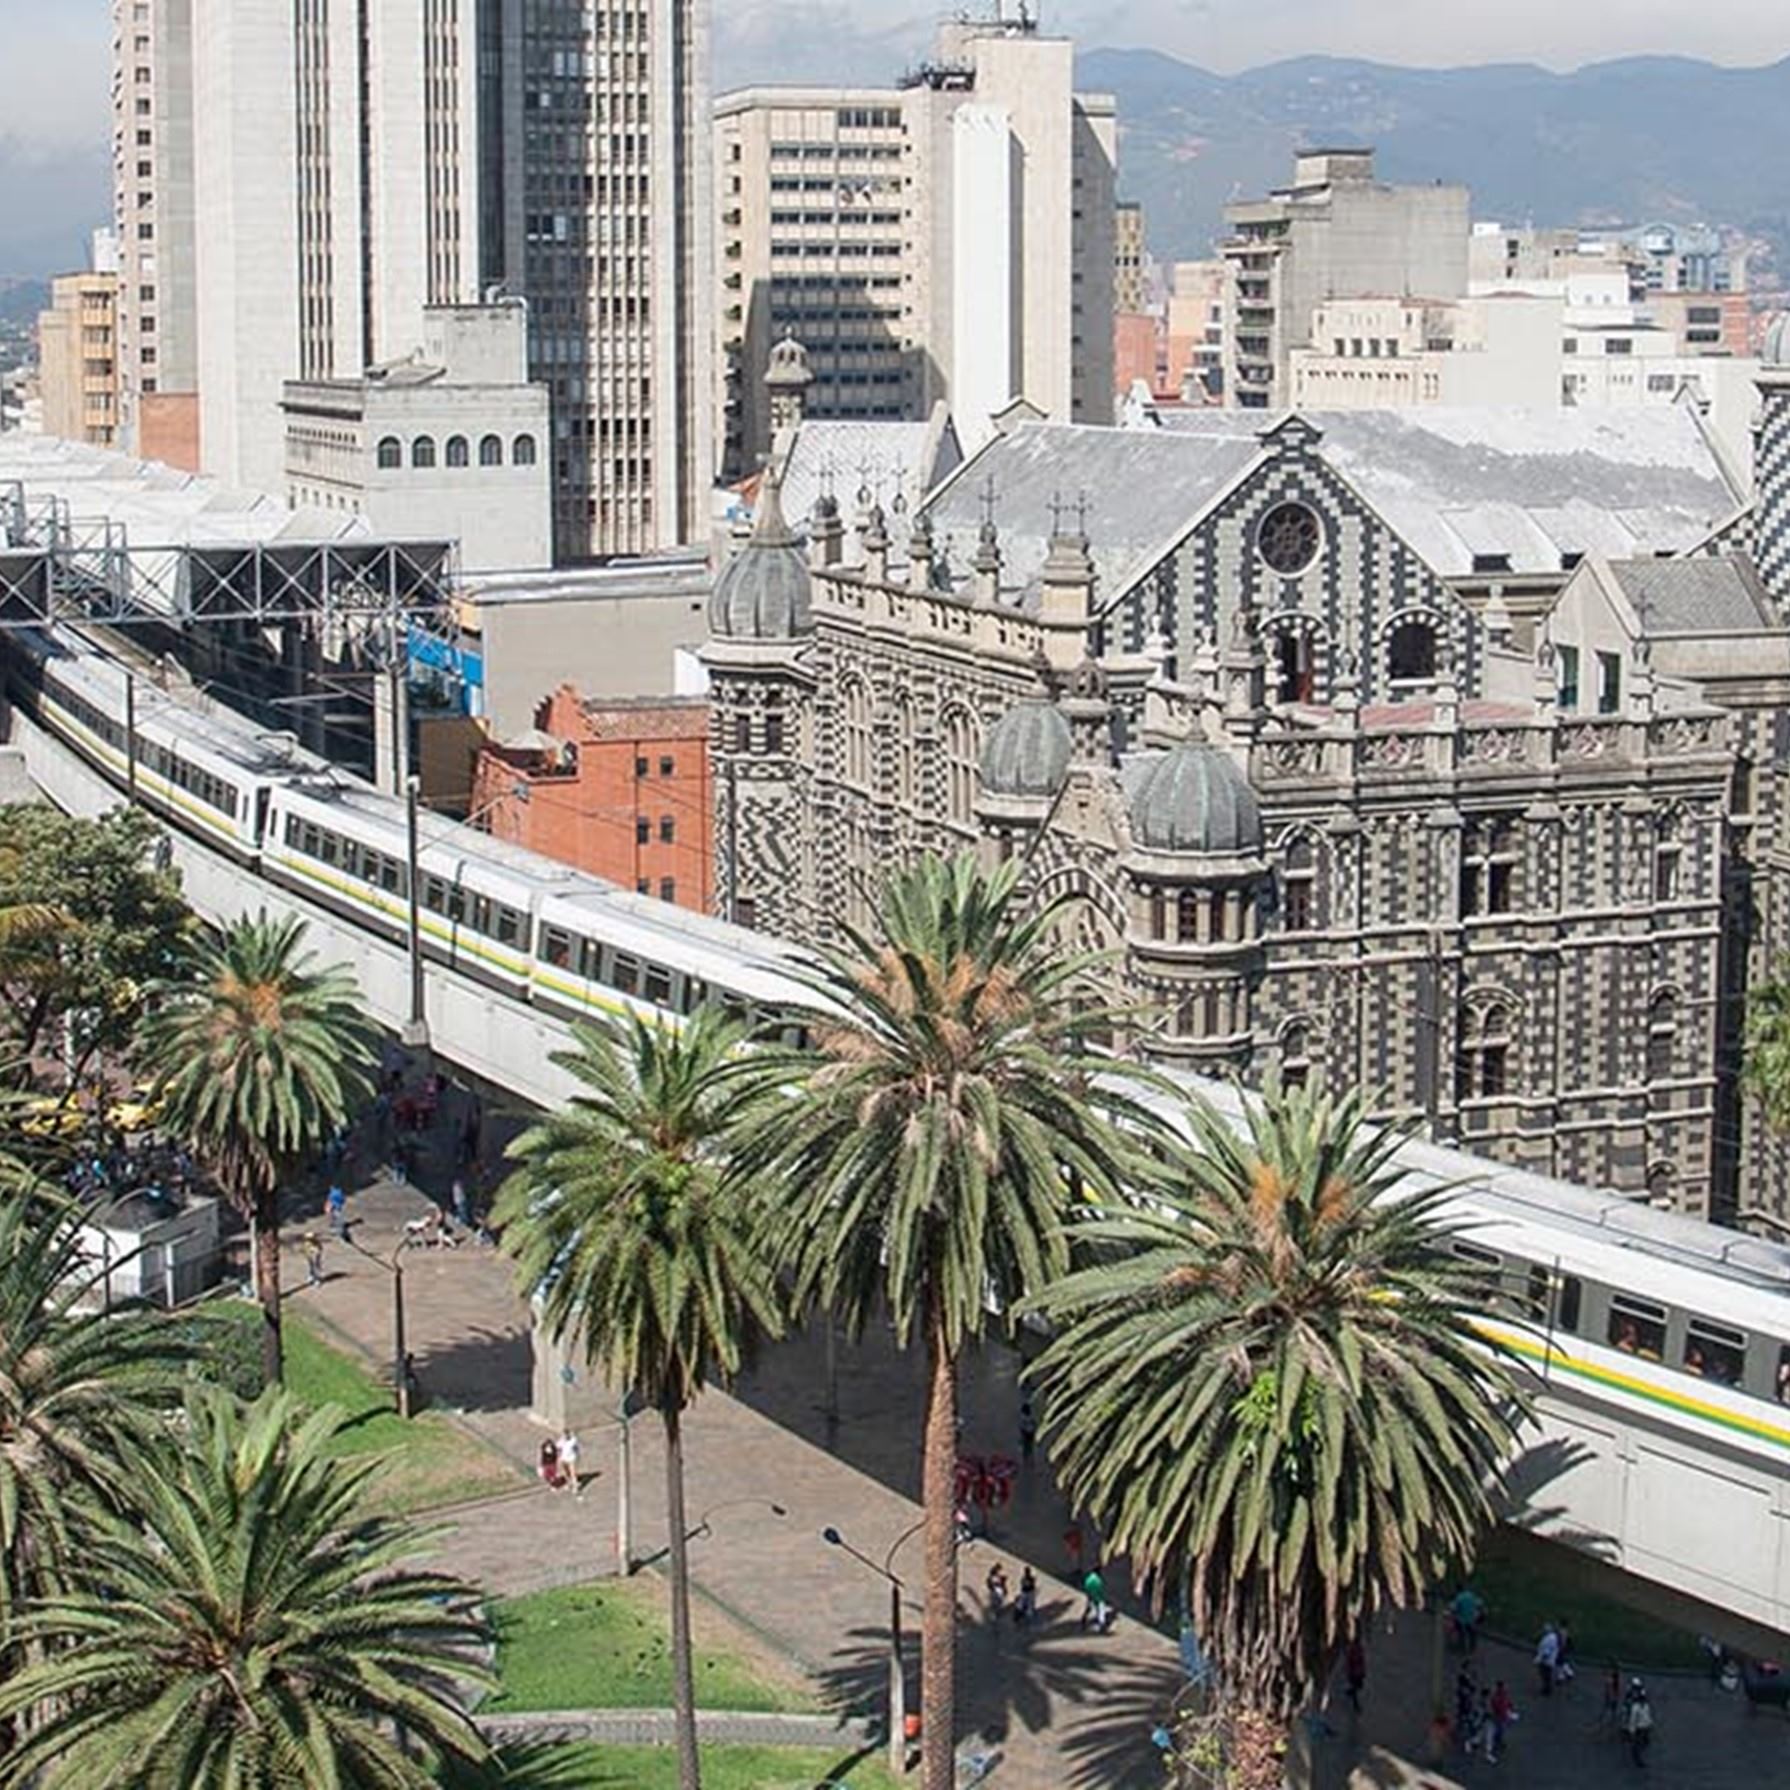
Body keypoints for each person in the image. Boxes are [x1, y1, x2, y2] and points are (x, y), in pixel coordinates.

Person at [1622, 1679, 1653, 1766]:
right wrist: (1631, 1730)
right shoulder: (1636, 1707)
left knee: (1642, 1742)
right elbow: (1633, 1719)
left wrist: (1650, 1723)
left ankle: (1639, 1747)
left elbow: (1647, 1715)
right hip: (1638, 1727)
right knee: (1636, 1744)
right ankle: (1636, 1757)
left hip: (1645, 1726)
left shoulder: (1645, 1705)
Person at [1487, 1679, 1515, 1763]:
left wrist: (1509, 1706)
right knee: (1499, 1729)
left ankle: (1498, 1741)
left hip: (1501, 1715)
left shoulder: (1501, 1695)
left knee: (1500, 1729)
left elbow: (1507, 1702)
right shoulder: (1497, 1697)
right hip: (1499, 1716)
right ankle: (1498, 1742)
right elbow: (1497, 1705)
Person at [1451, 1584, 1485, 1653]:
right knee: (1472, 1633)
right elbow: (1480, 1603)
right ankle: (1472, 1648)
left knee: (1461, 1632)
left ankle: (1462, 1648)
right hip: (1472, 1619)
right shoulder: (1471, 1595)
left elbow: (1454, 1609)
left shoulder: (1459, 1598)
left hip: (1462, 1620)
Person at [1080, 1567, 1111, 1634]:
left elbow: (1086, 1587)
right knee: (1101, 1610)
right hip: (1098, 1598)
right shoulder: (1098, 1580)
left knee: (1089, 1609)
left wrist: (1089, 1596)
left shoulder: (1089, 1579)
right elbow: (1101, 1590)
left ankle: (1084, 1619)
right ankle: (1101, 1624)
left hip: (1091, 1596)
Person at [1535, 1620, 1560, 1696]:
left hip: (1547, 1661)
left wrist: (1540, 1658)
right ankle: (1546, 1689)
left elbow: (1547, 1650)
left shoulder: (1551, 1638)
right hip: (1547, 1660)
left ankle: (1547, 1690)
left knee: (1545, 1675)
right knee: (1545, 1675)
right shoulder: (1549, 1637)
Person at [557, 1427, 581, 1497]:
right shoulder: (560, 1441)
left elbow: (576, 1448)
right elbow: (558, 1449)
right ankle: (568, 1483)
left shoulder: (573, 1440)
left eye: (566, 1435)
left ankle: (575, 1487)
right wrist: (559, 1458)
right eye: (564, 1435)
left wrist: (577, 1455)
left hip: (571, 1459)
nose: (565, 1436)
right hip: (563, 1459)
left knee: (573, 1473)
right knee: (566, 1473)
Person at [1345, 1636, 1366, 1712]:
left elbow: (1353, 1661)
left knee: (1355, 1688)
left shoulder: (1355, 1651)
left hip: (1355, 1673)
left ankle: (1356, 1705)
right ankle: (1352, 1694)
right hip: (1358, 1672)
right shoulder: (1359, 1650)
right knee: (1355, 1686)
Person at [1018, 1397, 1038, 1462]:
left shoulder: (1024, 1418)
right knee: (1029, 1446)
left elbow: (1022, 1426)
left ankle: (1026, 1458)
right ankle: (1029, 1458)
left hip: (1026, 1433)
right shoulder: (1031, 1417)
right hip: (1030, 1433)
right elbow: (1034, 1424)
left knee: (1026, 1445)